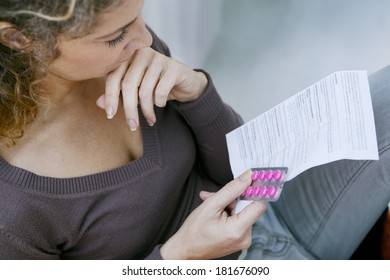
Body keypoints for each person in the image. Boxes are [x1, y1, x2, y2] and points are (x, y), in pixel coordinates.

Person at [0, 0, 388, 260]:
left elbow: (235, 171)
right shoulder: (11, 213)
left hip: (271, 213)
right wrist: (178, 259)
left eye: (139, 16)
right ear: (18, 39)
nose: (145, 39)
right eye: (114, 36)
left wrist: (197, 93)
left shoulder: (134, 57)